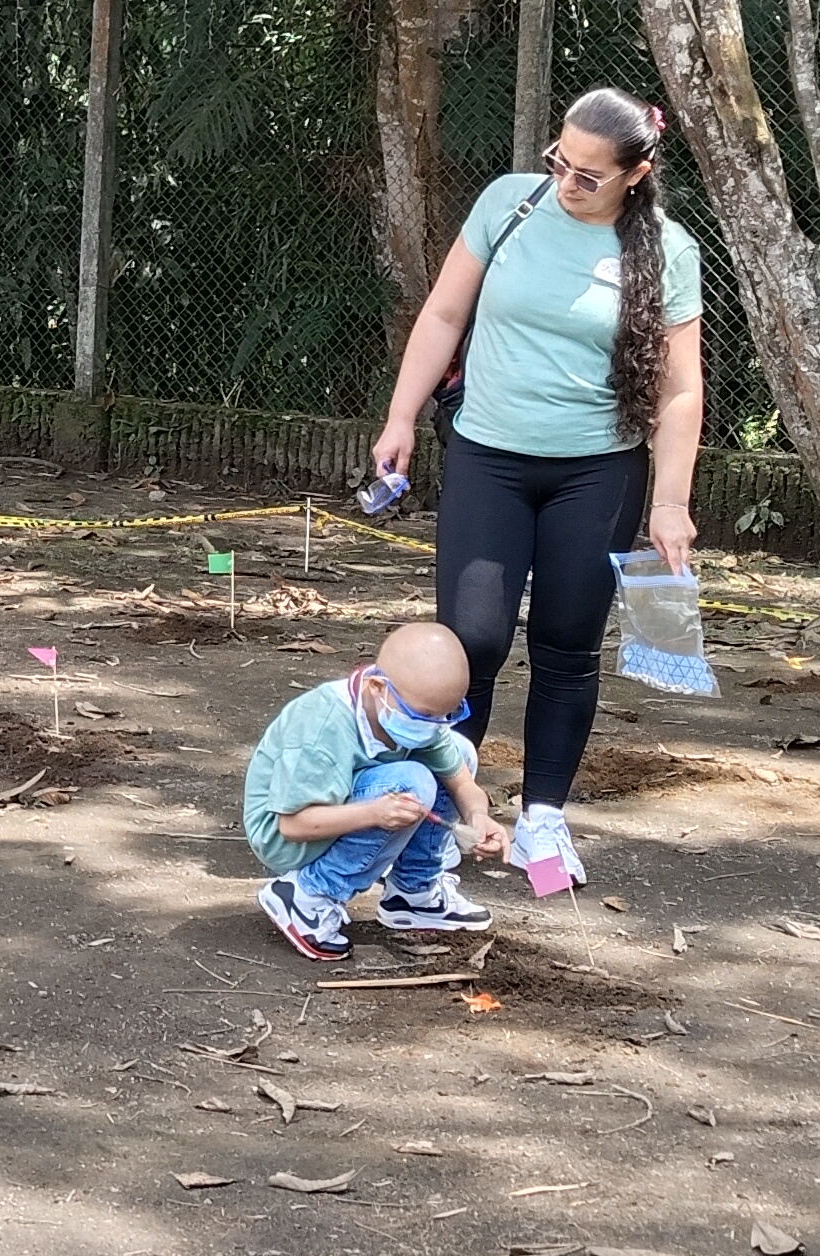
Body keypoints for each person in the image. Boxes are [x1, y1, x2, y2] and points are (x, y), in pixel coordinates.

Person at [368, 86, 707, 895]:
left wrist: (670, 501)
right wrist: (402, 416)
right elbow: (446, 313)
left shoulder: (666, 249)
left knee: (564, 643)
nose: (567, 181)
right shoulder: (506, 205)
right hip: (489, 455)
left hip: (598, 471)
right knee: (472, 642)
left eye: (590, 174)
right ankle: (453, 809)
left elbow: (679, 389)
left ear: (636, 173)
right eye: (562, 160)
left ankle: (544, 816)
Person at [245, 622, 513, 956]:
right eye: (424, 715)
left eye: (447, 714)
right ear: (377, 687)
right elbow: (292, 824)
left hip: (347, 804)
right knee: (412, 783)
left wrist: (478, 817)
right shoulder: (322, 726)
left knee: (459, 751)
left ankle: (414, 892)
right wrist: (375, 813)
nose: (434, 726)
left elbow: (461, 782)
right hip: (287, 836)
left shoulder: (413, 712)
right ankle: (307, 896)